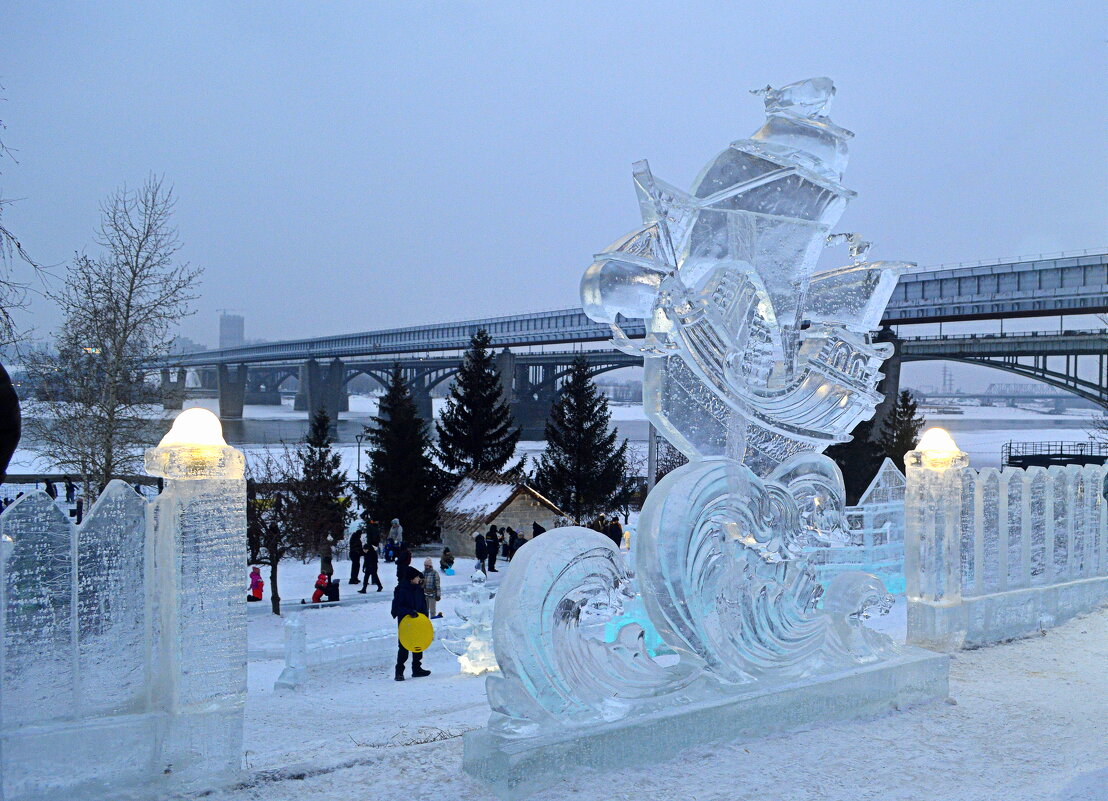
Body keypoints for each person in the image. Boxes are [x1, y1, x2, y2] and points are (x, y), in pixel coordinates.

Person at [391, 566, 430, 681]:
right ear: (411, 578)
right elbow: (396, 608)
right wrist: (409, 612)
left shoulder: (418, 589)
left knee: (418, 644)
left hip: (418, 622)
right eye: (417, 577)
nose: (419, 579)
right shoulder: (401, 590)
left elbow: (423, 605)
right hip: (406, 623)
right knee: (404, 646)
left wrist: (425, 618)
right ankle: (399, 672)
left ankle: (417, 669)